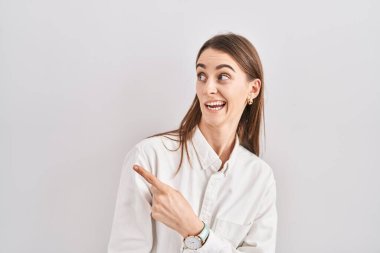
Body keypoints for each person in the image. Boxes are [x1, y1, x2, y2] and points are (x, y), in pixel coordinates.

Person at [107, 32, 277, 253]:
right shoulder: (150, 157)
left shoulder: (259, 179)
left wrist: (195, 230)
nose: (208, 89)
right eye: (201, 75)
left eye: (223, 76)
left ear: (252, 89)